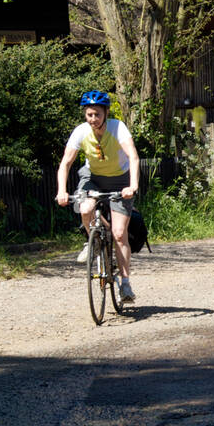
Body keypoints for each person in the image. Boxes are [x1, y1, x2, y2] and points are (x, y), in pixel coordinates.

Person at [56, 90, 139, 303]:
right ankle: (92, 242)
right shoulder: (80, 132)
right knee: (85, 209)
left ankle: (125, 284)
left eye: (97, 114)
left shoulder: (117, 127)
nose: (93, 119)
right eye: (89, 114)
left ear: (106, 113)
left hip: (121, 180)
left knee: (120, 234)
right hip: (92, 178)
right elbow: (65, 163)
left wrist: (133, 186)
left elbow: (133, 157)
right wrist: (62, 191)